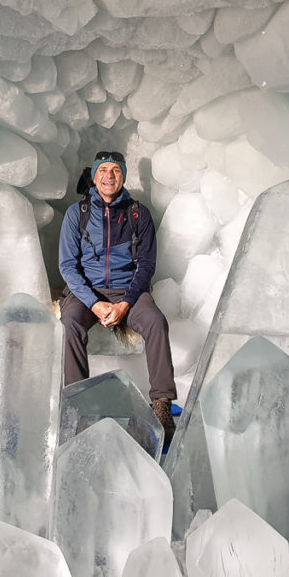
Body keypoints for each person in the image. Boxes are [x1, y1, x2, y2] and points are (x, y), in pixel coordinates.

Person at [58, 150, 178, 444]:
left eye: (115, 170)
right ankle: (77, 404)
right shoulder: (78, 214)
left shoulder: (138, 214)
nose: (109, 176)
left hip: (129, 291)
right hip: (87, 290)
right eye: (103, 170)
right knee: (70, 322)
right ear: (95, 175)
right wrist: (94, 302)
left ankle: (162, 404)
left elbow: (147, 264)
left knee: (155, 322)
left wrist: (126, 303)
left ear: (123, 175)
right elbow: (67, 266)